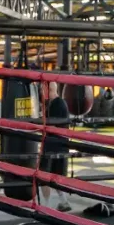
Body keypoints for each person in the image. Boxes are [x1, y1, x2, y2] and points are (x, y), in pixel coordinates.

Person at [40, 82, 72, 212]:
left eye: (44, 90)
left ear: (49, 90)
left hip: (52, 145)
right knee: (56, 176)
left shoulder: (57, 104)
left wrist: (39, 124)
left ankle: (45, 205)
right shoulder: (57, 103)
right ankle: (64, 202)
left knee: (44, 175)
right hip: (60, 145)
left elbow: (52, 125)